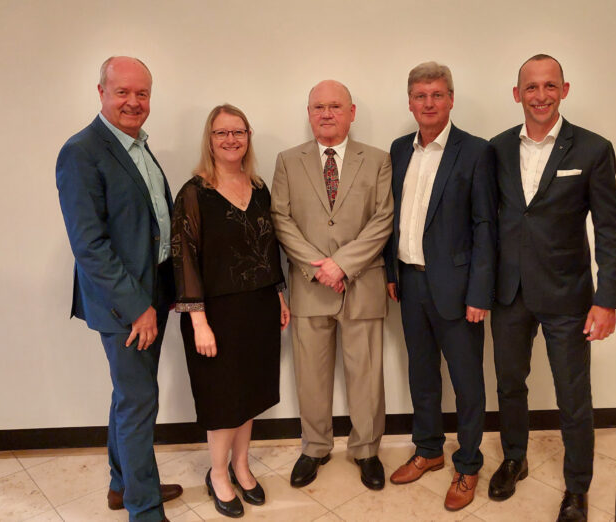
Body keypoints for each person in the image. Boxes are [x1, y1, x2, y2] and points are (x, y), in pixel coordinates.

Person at [489, 54, 616, 522]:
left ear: (564, 90)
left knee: (573, 394)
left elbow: (609, 229)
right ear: (517, 94)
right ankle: (514, 458)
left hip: (568, 296)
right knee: (509, 385)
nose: (540, 95)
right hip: (508, 294)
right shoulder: (497, 149)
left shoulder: (592, 149)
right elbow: (492, 222)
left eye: (550, 86)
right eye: (531, 87)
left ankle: (577, 486)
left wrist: (607, 299)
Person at [56, 56, 182, 522]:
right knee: (138, 401)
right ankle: (144, 510)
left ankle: (123, 484)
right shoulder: (82, 151)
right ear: (101, 92)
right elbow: (89, 245)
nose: (134, 101)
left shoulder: (137, 146)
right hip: (124, 305)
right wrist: (137, 307)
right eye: (123, 92)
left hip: (154, 294)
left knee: (129, 396)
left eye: (142, 93)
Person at [383, 62, 497, 511]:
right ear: (410, 102)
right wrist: (393, 273)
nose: (428, 103)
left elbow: (485, 226)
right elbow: (392, 217)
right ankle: (429, 450)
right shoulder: (398, 149)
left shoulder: (475, 151)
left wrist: (478, 293)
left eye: (436, 95)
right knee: (422, 374)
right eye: (419, 96)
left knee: (467, 382)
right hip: (410, 283)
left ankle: (468, 464)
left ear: (451, 99)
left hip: (458, 289)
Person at [270, 80, 393, 490]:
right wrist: (317, 266)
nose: (326, 113)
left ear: (352, 112)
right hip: (310, 285)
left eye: (335, 106)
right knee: (311, 375)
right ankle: (316, 446)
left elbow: (383, 220)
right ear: (309, 113)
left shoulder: (378, 160)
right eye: (318, 106)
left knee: (366, 376)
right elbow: (281, 219)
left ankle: (367, 450)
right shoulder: (288, 161)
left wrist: (341, 265)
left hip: (362, 284)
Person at [171, 104, 290, 518]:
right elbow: (183, 257)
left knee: (250, 393)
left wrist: (278, 293)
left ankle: (242, 465)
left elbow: (267, 247)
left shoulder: (258, 187)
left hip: (257, 308)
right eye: (222, 133)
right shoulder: (193, 192)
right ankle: (218, 473)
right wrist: (198, 321)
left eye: (238, 132)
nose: (230, 140)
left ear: (248, 136)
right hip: (214, 315)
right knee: (223, 400)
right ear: (210, 139)